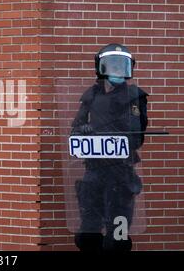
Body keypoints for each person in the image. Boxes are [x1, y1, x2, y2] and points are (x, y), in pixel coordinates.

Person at [71, 44, 149, 251]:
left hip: (120, 170)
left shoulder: (134, 96)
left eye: (121, 66)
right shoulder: (92, 95)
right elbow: (75, 129)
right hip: (94, 169)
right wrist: (84, 130)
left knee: (117, 234)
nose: (117, 71)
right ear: (101, 67)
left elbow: (137, 137)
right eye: (112, 66)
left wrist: (117, 134)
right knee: (88, 232)